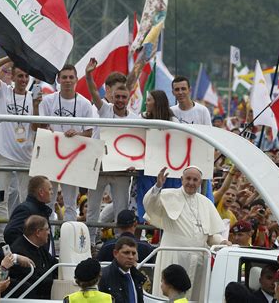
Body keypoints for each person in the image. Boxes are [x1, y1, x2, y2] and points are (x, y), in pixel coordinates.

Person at [143, 166, 229, 301]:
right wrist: (157, 186)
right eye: (188, 178)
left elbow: (210, 236)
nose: (191, 182)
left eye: (195, 180)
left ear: (200, 182)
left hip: (199, 260)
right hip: (174, 256)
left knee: (194, 297)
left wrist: (222, 242)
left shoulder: (206, 203)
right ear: (182, 179)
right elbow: (150, 205)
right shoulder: (168, 195)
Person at [85, 58, 139, 244]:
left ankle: (120, 243)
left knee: (121, 210)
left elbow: (138, 146)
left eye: (124, 97)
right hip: (99, 167)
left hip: (121, 171)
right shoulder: (105, 110)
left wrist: (136, 163)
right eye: (117, 97)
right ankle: (90, 243)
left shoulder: (135, 119)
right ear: (112, 96)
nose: (120, 101)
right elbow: (93, 93)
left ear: (128, 99)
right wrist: (89, 75)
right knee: (92, 208)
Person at [0, 57, 39, 242]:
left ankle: (23, 237)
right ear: (13, 77)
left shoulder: (34, 98)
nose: (24, 80)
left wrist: (38, 106)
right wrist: (11, 56)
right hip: (5, 155)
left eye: (26, 76)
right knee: (0, 198)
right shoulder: (4, 92)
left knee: (27, 201)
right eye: (20, 76)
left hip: (26, 155)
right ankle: (2, 238)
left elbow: (37, 127)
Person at [39, 64, 94, 221]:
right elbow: (41, 125)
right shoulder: (48, 100)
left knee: (70, 203)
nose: (68, 81)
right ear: (58, 79)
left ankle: (69, 237)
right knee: (48, 201)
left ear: (76, 79)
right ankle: (47, 238)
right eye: (64, 77)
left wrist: (77, 133)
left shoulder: (84, 103)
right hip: (52, 154)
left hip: (73, 157)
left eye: (71, 77)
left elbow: (89, 132)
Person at [136, 90, 181, 223]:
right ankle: (143, 230)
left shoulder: (173, 121)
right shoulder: (142, 118)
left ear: (157, 102)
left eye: (149, 100)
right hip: (147, 168)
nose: (146, 102)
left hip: (169, 169)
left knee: (168, 199)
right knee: (145, 197)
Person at [9, 215, 58, 299]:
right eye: (47, 229)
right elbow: (34, 282)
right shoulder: (19, 251)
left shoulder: (40, 246)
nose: (49, 233)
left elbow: (54, 265)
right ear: (38, 232)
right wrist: (57, 283)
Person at [4, 176, 54, 255]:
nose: (52, 192)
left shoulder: (41, 210)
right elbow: (10, 233)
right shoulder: (25, 209)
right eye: (50, 189)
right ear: (41, 192)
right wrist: (28, 253)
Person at [99, 236, 147, 303]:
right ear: (115, 253)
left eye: (133, 253)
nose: (131, 257)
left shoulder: (137, 276)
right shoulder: (103, 277)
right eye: (126, 253)